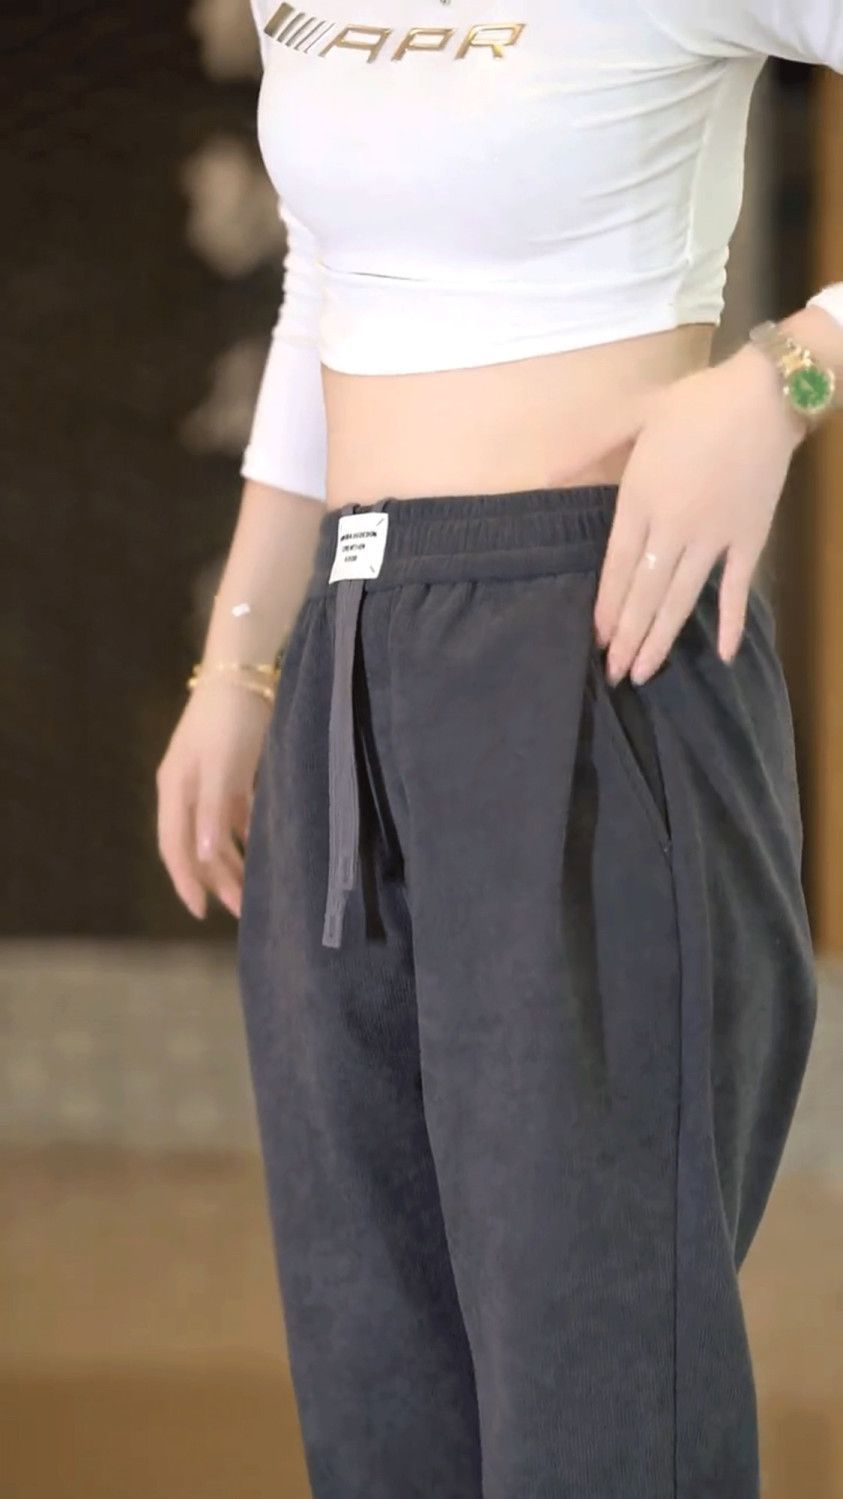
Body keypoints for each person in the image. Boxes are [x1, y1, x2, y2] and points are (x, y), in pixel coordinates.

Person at [157, 2, 843, 1494]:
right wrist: (241, 659)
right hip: (352, 649)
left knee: (597, 1392)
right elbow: (323, 280)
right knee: (377, 1380)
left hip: (595, 633)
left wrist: (791, 376)